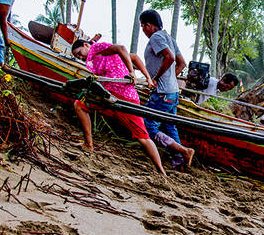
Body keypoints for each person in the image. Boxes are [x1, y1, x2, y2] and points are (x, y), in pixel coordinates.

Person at [71, 39, 167, 176]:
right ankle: (161, 171)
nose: (80, 57)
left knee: (80, 105)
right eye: (77, 57)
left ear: (86, 45)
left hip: (118, 95)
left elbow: (121, 48)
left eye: (79, 53)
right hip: (115, 96)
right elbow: (133, 57)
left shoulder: (95, 48)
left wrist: (132, 72)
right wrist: (147, 78)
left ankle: (89, 145)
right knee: (143, 137)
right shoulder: (98, 58)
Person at [139, 9, 195, 168]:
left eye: (143, 26)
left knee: (147, 125)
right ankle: (180, 161)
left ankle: (184, 151)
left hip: (163, 94)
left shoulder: (156, 37)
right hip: (173, 92)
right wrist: (169, 78)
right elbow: (181, 63)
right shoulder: (169, 38)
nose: (143, 30)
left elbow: (170, 58)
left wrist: (156, 79)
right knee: (170, 126)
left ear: (149, 25)